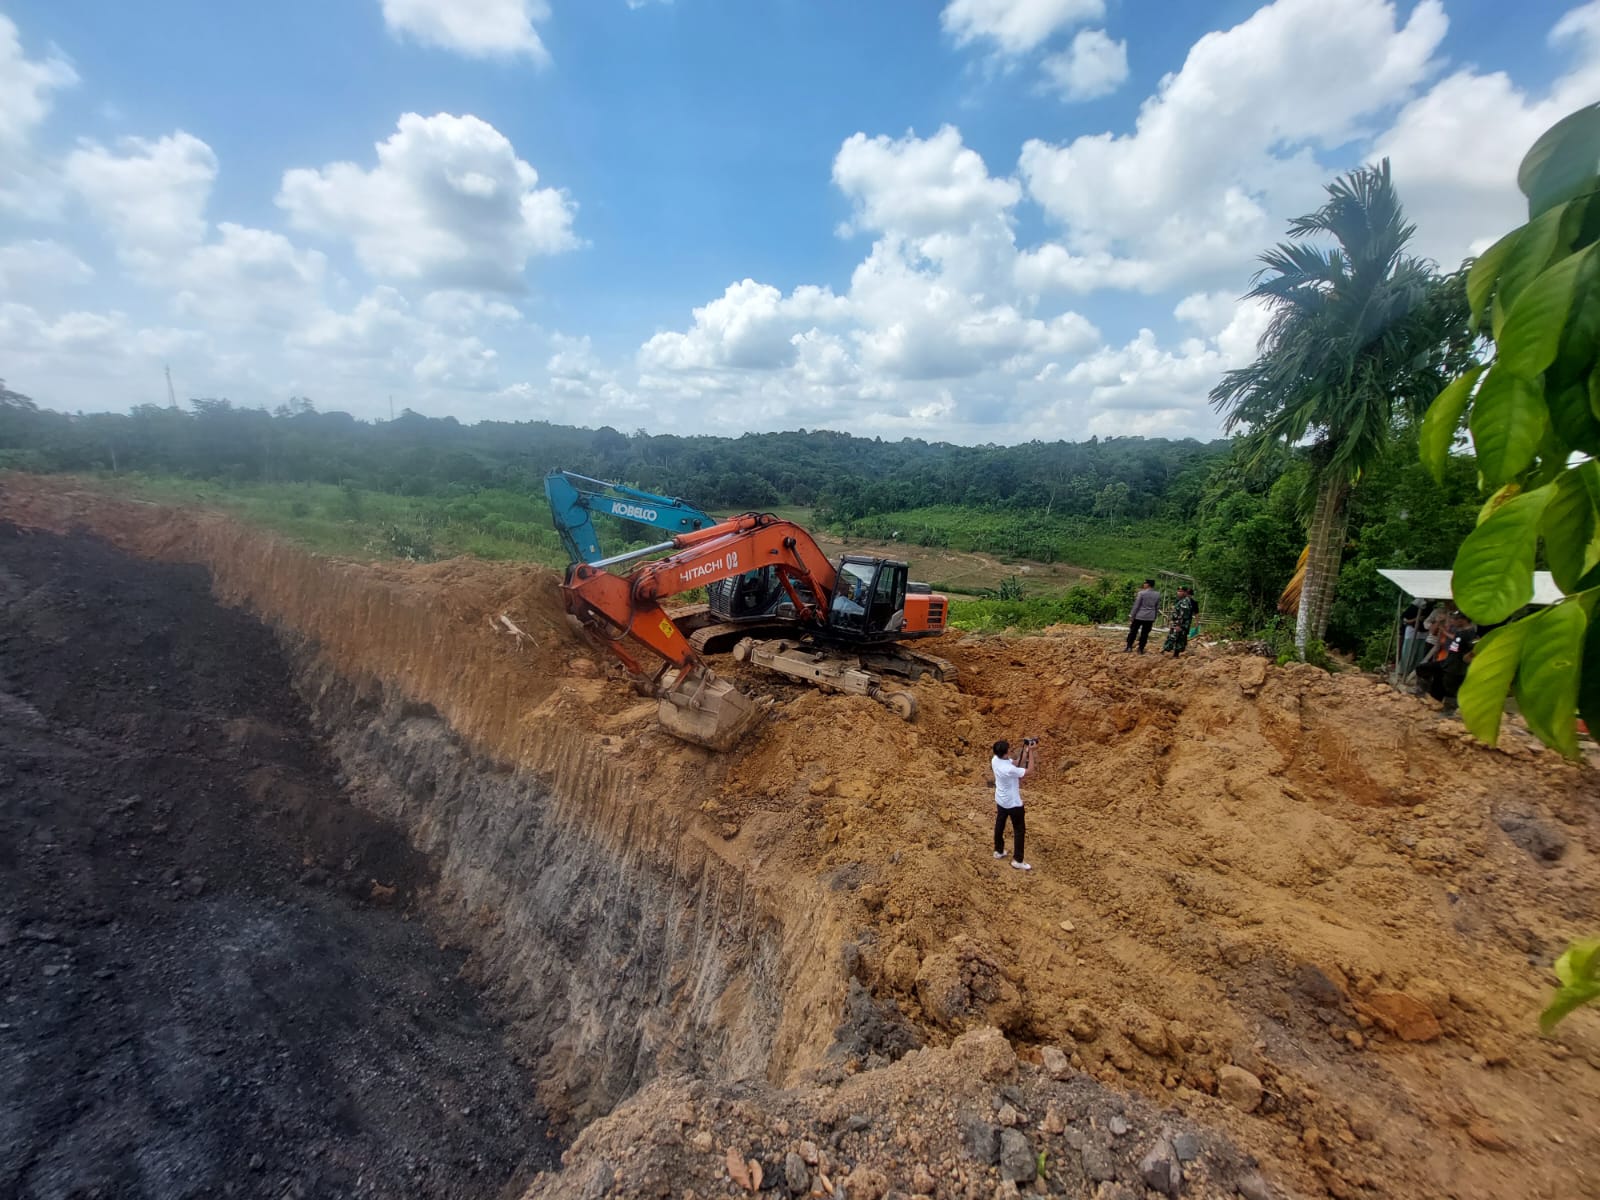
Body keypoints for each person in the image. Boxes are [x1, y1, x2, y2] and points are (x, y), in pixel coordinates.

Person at [990, 738, 1036, 871]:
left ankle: (998, 851)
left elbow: (1016, 763)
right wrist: (1032, 753)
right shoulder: (1008, 770)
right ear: (1005, 753)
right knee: (1019, 830)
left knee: (1000, 823)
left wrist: (1025, 752)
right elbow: (1029, 771)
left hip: (1001, 800)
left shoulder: (995, 760)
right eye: (1009, 749)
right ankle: (1018, 860)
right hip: (1014, 804)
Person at [1125, 579, 1161, 653]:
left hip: (1139, 615)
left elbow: (1136, 605)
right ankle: (1141, 649)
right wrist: (1154, 617)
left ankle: (1129, 646)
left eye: (1145, 583)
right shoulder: (1157, 594)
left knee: (1133, 631)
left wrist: (1132, 615)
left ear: (1148, 585)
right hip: (1150, 617)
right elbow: (1157, 607)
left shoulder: (1141, 593)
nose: (1143, 585)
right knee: (1145, 634)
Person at [1162, 587, 1199, 657]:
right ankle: (1171, 652)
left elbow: (1183, 615)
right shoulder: (1180, 600)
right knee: (1177, 638)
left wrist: (1178, 625)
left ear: (1185, 593)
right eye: (1178, 591)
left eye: (1181, 591)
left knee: (1176, 637)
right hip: (1180, 623)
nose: (1178, 592)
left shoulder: (1186, 602)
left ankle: (1169, 652)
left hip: (1181, 624)